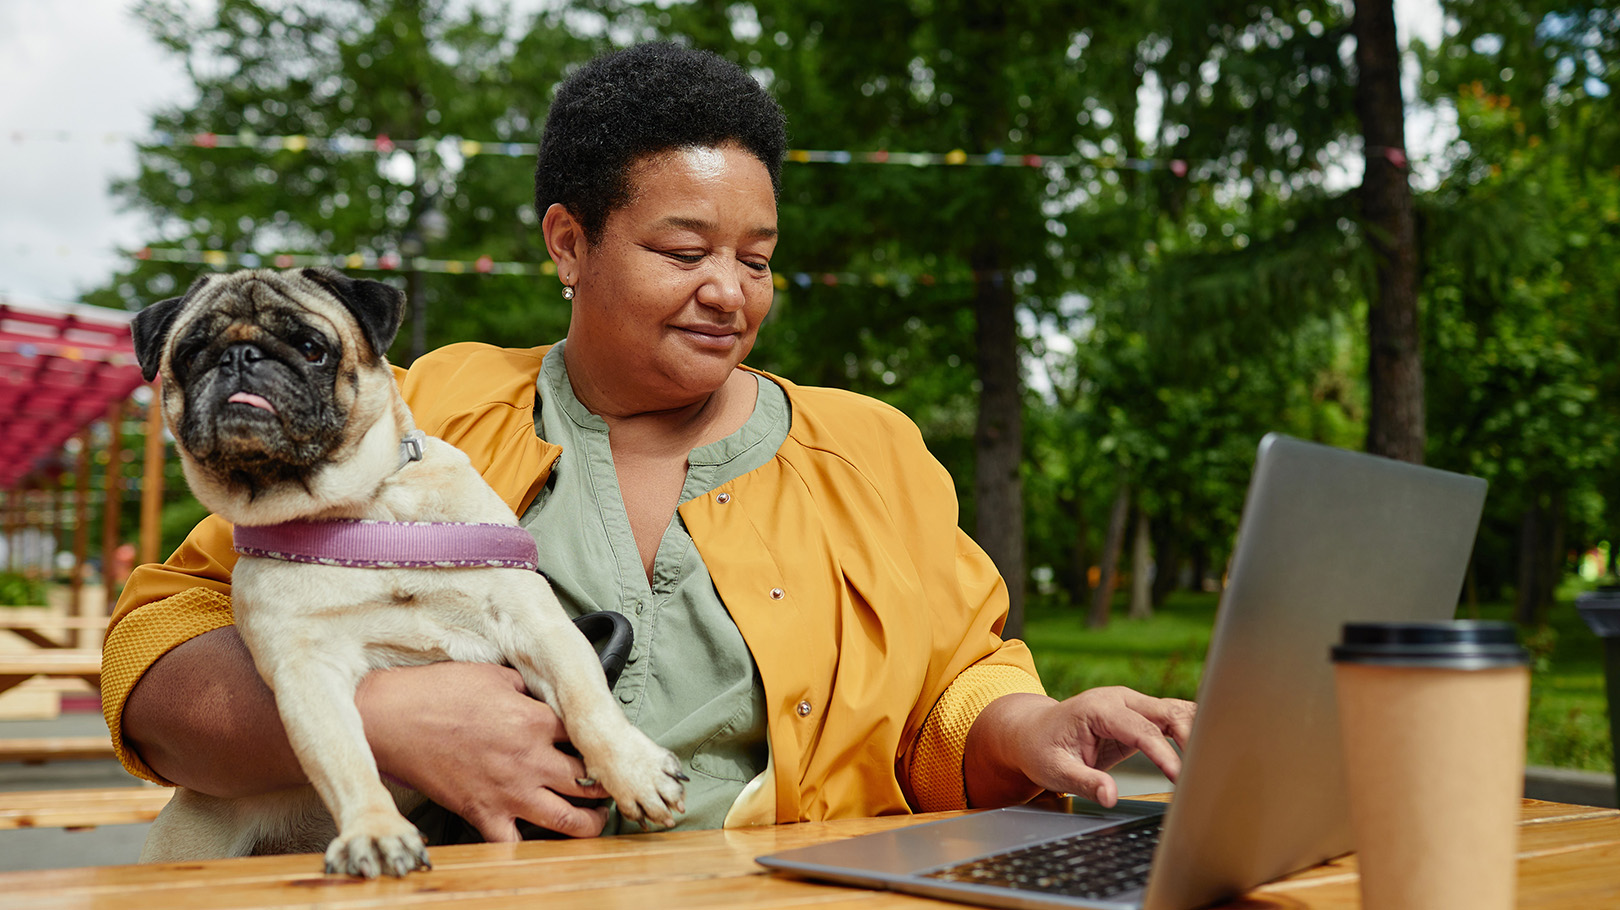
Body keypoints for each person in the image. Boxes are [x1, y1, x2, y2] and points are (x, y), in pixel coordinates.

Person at [103, 42, 1195, 844]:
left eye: (758, 259)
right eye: (684, 249)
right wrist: (385, 719)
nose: (729, 290)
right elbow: (159, 649)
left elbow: (952, 691)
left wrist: (1038, 724)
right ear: (569, 243)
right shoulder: (418, 417)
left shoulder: (873, 452)